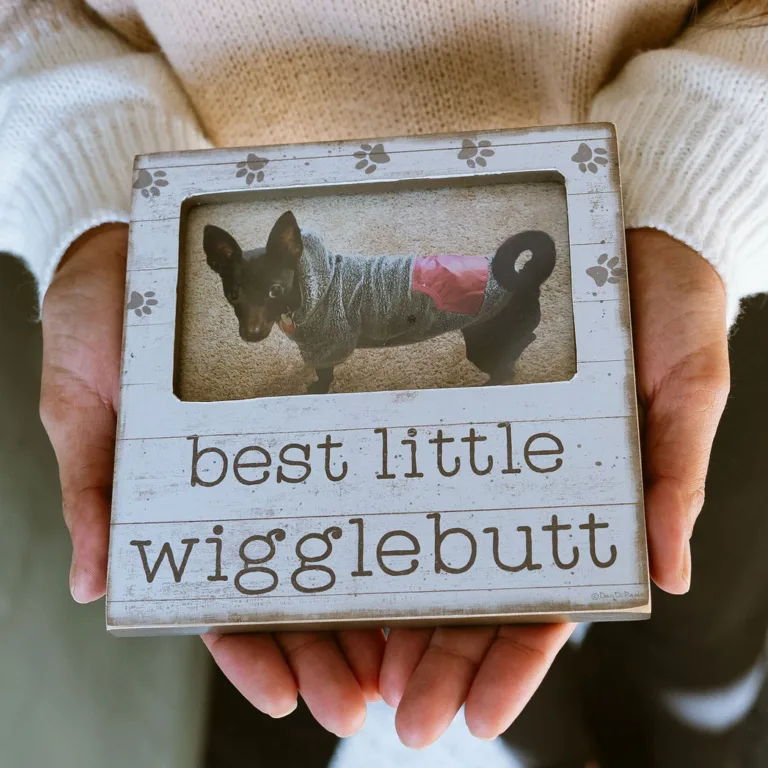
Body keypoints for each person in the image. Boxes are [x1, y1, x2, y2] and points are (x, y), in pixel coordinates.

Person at [1, 0, 767, 763]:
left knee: (699, 603)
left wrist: (698, 169)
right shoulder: (280, 299)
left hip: (656, 278)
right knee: (453, 654)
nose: (254, 321)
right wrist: (87, 174)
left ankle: (707, 722)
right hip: (308, 471)